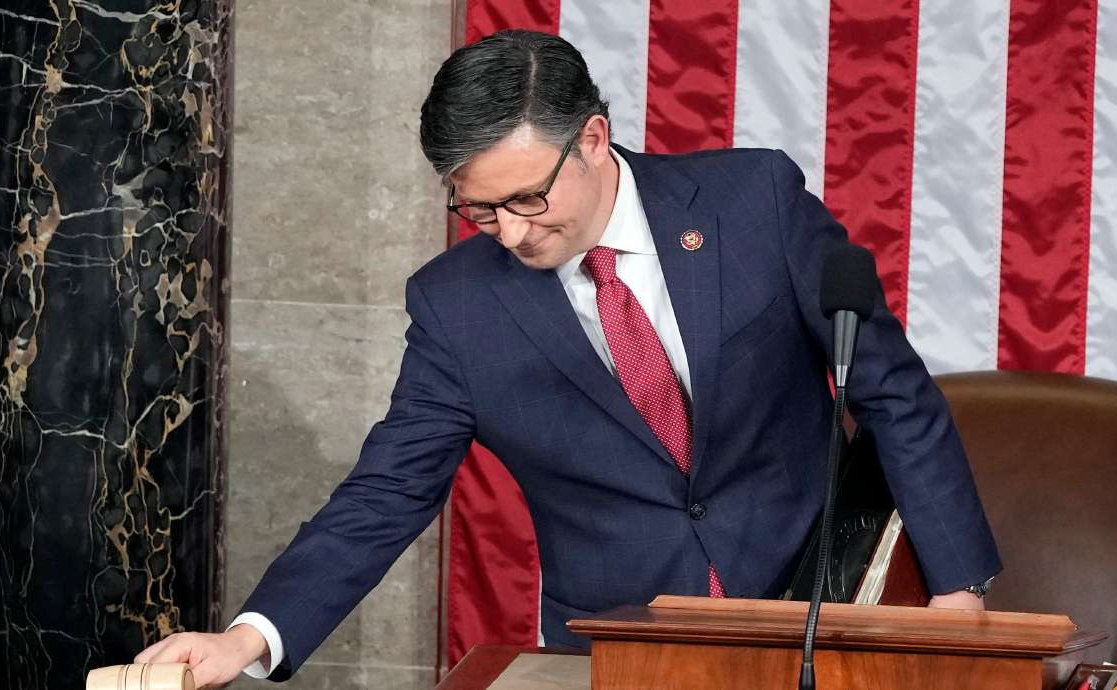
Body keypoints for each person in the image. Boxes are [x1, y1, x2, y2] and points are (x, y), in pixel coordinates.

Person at [136, 29, 1001, 686]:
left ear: (591, 138)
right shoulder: (456, 309)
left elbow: (892, 392)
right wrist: (248, 638)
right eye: (480, 211)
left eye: (527, 198)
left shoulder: (753, 205)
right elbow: (387, 491)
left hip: (818, 607)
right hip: (619, 646)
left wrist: (956, 596)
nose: (511, 233)